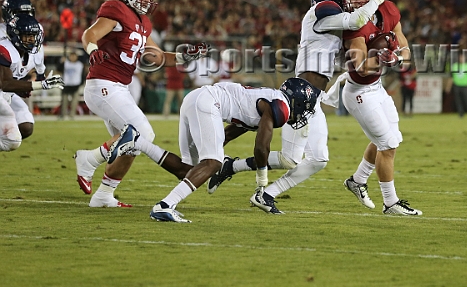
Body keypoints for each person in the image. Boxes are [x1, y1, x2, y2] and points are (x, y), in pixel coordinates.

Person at [206, 0, 389, 212]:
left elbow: (345, 58)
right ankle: (232, 168)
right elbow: (356, 19)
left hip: (314, 98)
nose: (344, 6)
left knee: (318, 159)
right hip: (299, 94)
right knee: (288, 158)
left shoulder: (331, 28)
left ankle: (255, 185)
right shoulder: (319, 13)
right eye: (340, 2)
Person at [73, 0, 208, 207]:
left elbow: (156, 57)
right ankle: (89, 159)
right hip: (103, 85)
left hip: (120, 88)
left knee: (132, 146)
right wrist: (93, 50)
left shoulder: (143, 22)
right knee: (142, 134)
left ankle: (104, 195)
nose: (148, 0)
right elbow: (90, 34)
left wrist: (184, 56)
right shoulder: (116, 9)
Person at [105, 77, 319, 222]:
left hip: (196, 98)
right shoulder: (280, 108)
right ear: (298, 102)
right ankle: (164, 206)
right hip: (208, 103)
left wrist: (211, 153)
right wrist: (262, 183)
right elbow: (261, 148)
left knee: (189, 170)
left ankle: (137, 141)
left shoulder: (268, 102)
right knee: (212, 163)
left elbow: (228, 134)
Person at [341, 0, 422, 215]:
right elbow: (361, 67)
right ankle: (391, 203)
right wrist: (383, 58)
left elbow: (405, 47)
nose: (356, 2)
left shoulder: (388, 10)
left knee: (391, 138)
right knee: (387, 144)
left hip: (376, 88)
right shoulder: (352, 24)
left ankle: (357, 180)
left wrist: (397, 57)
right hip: (358, 91)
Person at [0, 14, 64, 151]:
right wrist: (41, 85)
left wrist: (21, 87)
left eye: (33, 35)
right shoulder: (5, 48)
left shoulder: (31, 53)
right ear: (15, 35)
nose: (31, 39)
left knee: (25, 127)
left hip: (6, 95)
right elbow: (5, 83)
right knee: (11, 140)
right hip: (3, 92)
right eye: (27, 35)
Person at [450, 51, 467, 118]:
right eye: (460, 57)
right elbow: (451, 77)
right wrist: (449, 86)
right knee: (458, 101)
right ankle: (461, 114)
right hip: (457, 85)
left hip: (465, 85)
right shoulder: (455, 66)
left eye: (462, 57)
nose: (461, 59)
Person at [61, 50, 85, 119]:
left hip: (76, 84)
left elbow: (82, 74)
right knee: (64, 101)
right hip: (66, 84)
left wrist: (81, 83)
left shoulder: (80, 65)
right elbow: (59, 69)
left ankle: (72, 115)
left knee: (74, 102)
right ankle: (63, 114)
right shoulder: (65, 63)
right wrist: (61, 62)